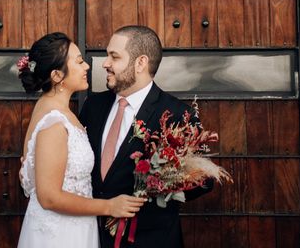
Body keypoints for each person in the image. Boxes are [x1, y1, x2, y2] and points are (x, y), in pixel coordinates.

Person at [79, 25, 214, 248]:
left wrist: (162, 183)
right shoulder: (93, 106)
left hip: (149, 240)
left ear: (141, 63)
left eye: (114, 56)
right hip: (90, 237)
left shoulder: (178, 115)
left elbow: (204, 179)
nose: (105, 63)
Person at [17, 32, 145, 248]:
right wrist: (109, 207)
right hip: (60, 236)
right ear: (57, 75)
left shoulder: (54, 110)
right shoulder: (54, 122)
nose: (86, 66)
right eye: (78, 61)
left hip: (74, 227)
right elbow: (48, 197)